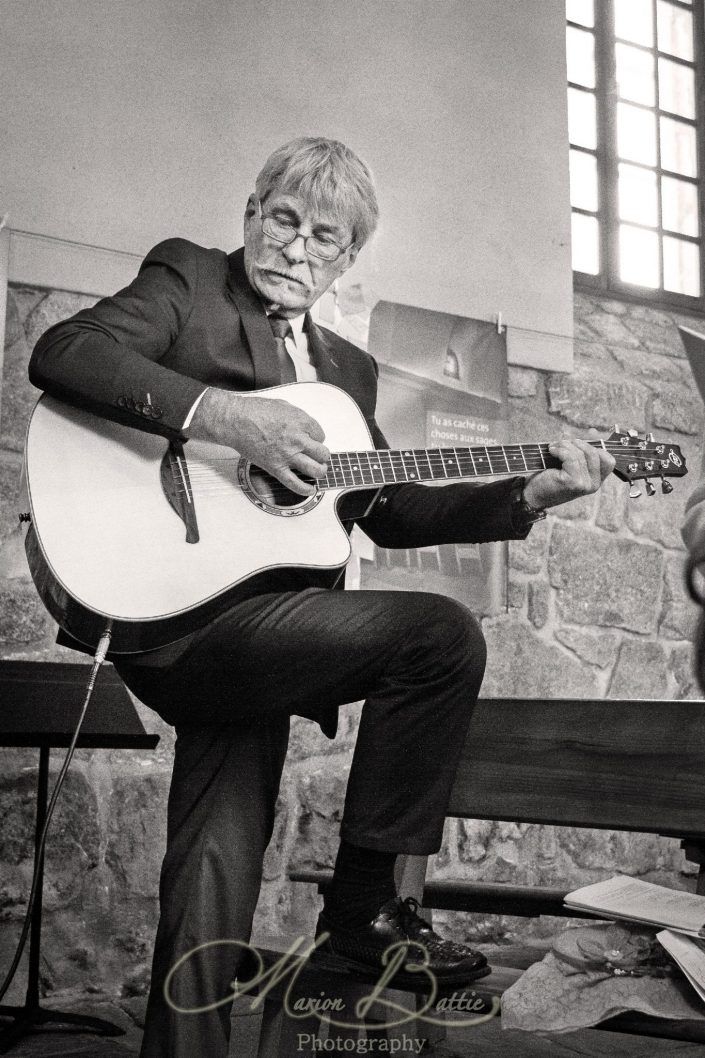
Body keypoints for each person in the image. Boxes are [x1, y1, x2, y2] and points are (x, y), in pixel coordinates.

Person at [28, 137, 615, 1058]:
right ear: (252, 214)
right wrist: (225, 418)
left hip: (260, 636)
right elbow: (67, 353)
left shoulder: (347, 371)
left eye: (325, 239)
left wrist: (521, 495)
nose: (298, 250)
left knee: (215, 858)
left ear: (348, 257)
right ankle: (362, 910)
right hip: (176, 619)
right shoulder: (190, 280)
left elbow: (385, 507)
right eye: (283, 221)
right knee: (438, 636)